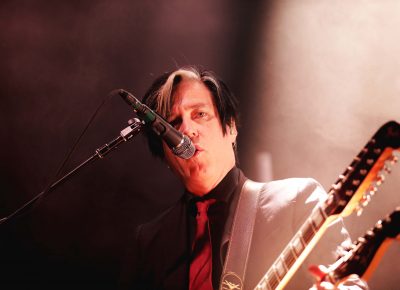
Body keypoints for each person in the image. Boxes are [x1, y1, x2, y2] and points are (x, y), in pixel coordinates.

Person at [119, 66, 368, 290]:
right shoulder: (150, 241)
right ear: (164, 153)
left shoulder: (296, 199)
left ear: (231, 128)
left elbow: (349, 281)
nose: (186, 130)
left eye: (200, 114)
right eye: (172, 123)